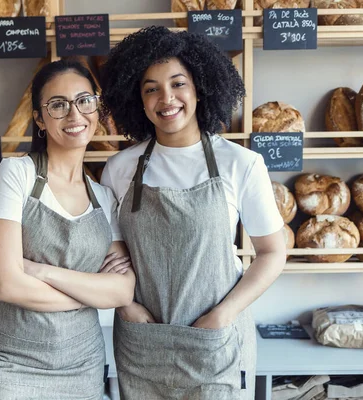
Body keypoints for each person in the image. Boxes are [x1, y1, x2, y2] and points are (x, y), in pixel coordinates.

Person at [100, 26, 287, 399]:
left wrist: (224, 314)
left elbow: (272, 252)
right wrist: (126, 306)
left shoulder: (241, 163)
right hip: (143, 341)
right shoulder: (119, 168)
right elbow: (110, 254)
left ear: (200, 87)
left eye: (178, 83)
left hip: (216, 342)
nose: (166, 98)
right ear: (138, 99)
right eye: (151, 88)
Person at [0, 59, 135, 399]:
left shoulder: (104, 197)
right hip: (11, 365)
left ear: (97, 107)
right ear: (39, 119)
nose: (75, 115)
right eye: (58, 105)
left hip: (83, 366)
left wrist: (39, 271)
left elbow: (121, 292)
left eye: (84, 100)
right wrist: (88, 294)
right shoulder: (16, 175)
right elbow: (3, 284)